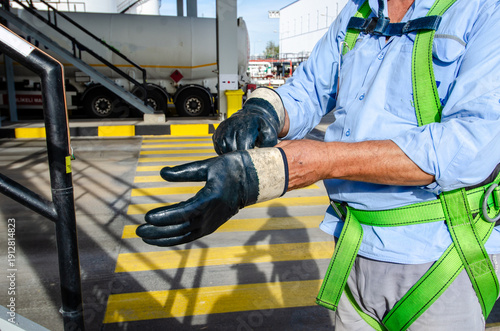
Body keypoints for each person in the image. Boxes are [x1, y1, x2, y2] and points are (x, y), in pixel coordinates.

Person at [137, 0, 500, 329]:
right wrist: (263, 113)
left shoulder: (483, 10)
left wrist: (311, 162)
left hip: (440, 256)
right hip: (355, 246)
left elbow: (468, 146)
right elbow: (310, 87)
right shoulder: (360, 12)